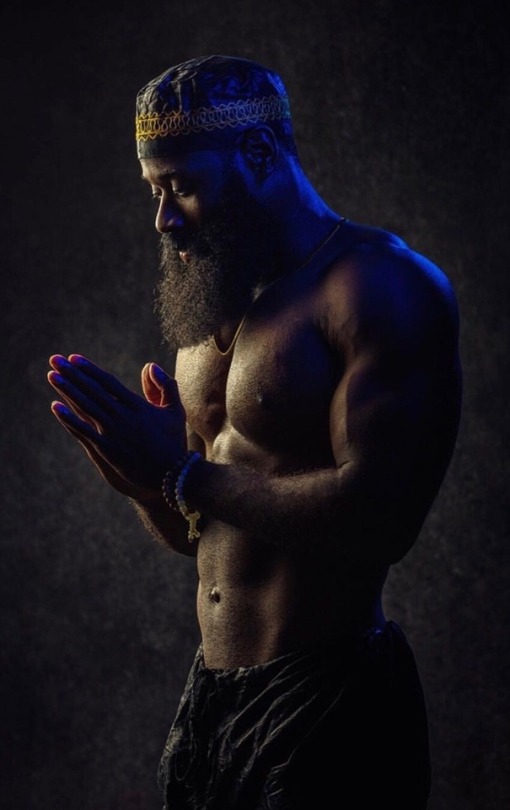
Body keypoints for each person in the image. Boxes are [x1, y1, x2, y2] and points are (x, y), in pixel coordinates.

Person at [47, 55, 462, 809]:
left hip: (331, 700)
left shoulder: (379, 287)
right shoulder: (214, 305)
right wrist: (143, 478)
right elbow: (203, 535)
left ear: (260, 152)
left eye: (182, 185)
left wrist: (182, 475)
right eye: (153, 189)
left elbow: (380, 519)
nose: (164, 218)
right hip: (211, 702)